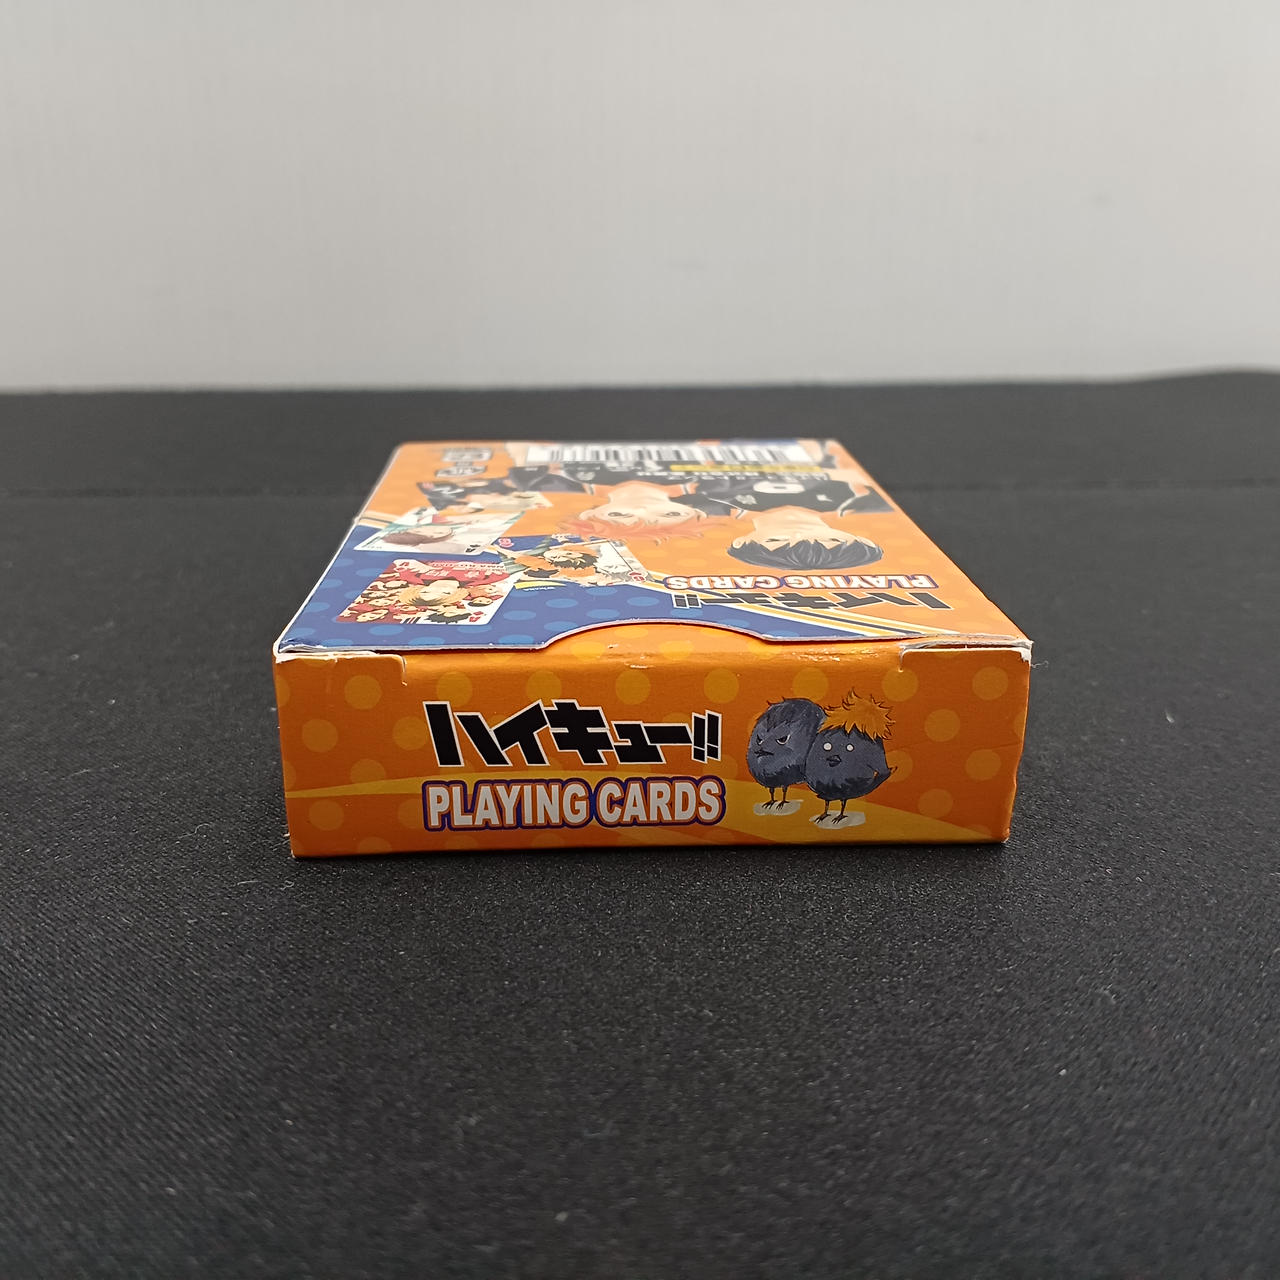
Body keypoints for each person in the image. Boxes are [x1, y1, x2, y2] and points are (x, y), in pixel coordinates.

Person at [726, 508, 883, 570]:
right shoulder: (862, 504)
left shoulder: (718, 509)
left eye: (775, 540)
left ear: (740, 542)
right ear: (864, 541)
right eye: (831, 541)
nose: (798, 533)